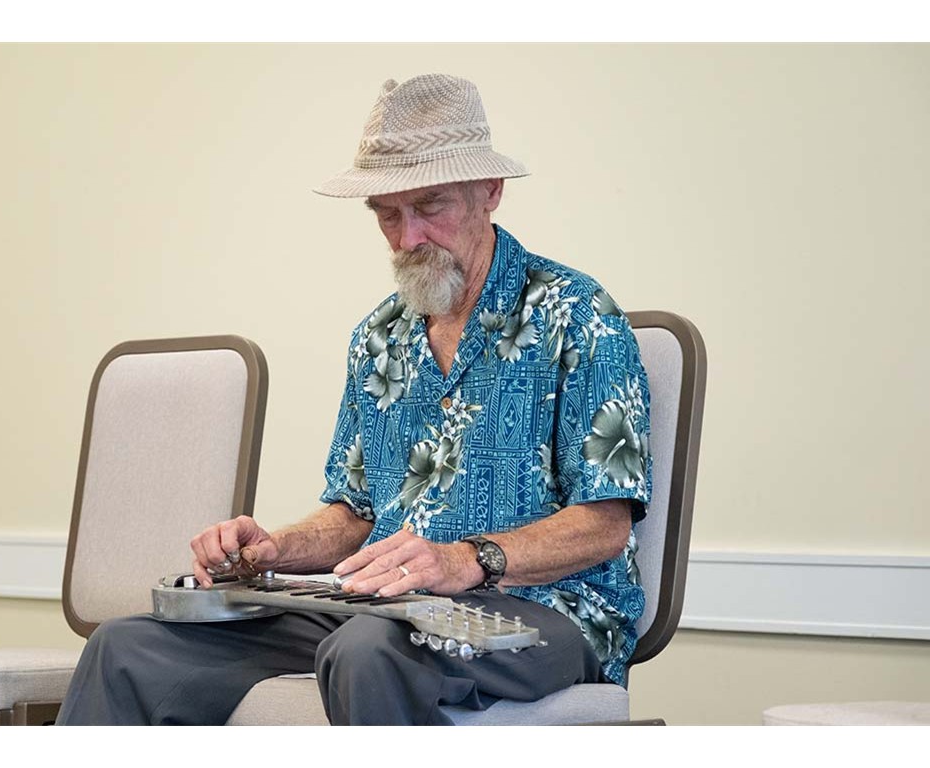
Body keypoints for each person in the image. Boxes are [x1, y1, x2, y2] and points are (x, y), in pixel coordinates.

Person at [57, 73, 651, 726]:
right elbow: (357, 513)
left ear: (490, 191)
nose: (408, 238)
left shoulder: (579, 314)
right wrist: (274, 548)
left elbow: (606, 522)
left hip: (549, 613)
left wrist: (465, 560)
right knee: (128, 648)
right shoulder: (380, 336)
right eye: (387, 214)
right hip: (384, 609)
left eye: (430, 205)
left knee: (368, 652)